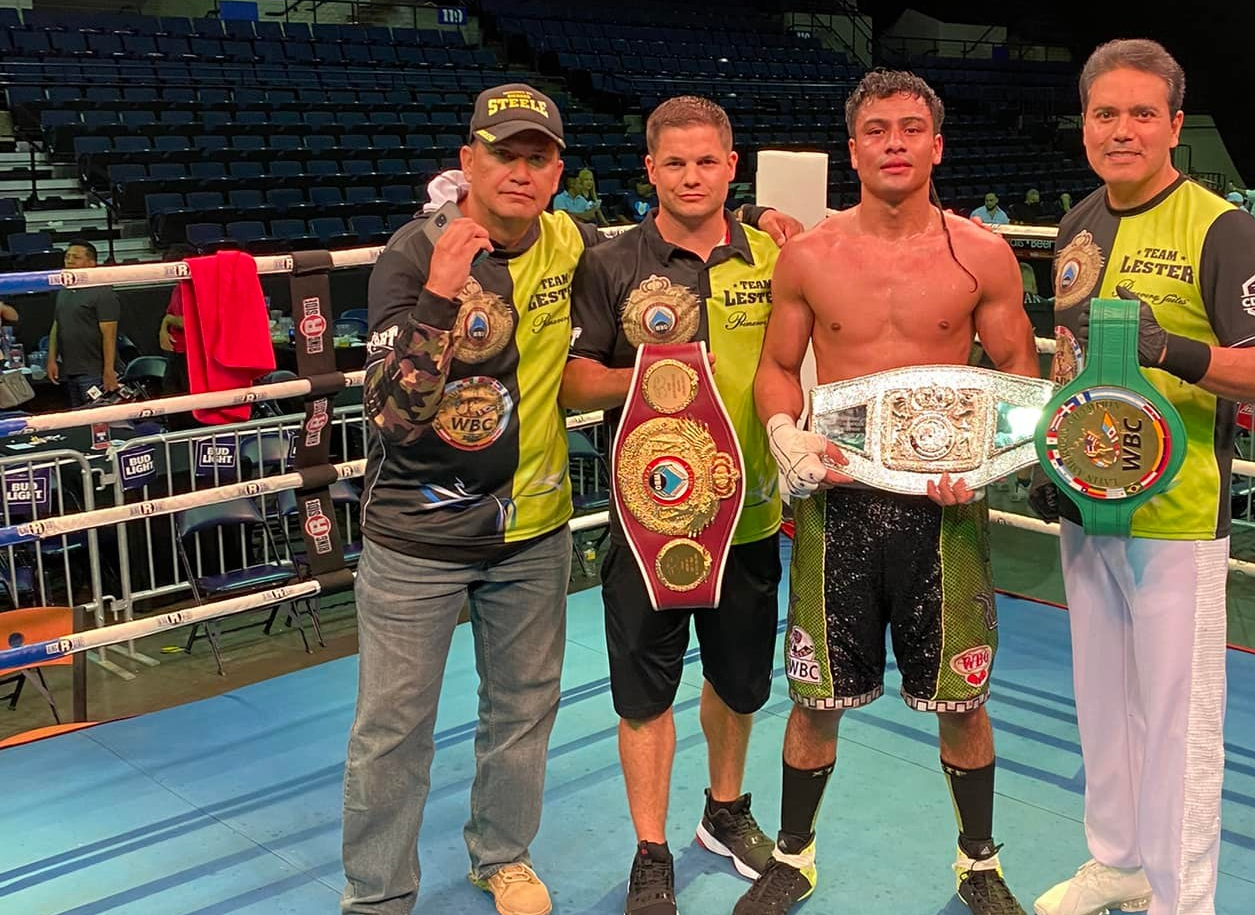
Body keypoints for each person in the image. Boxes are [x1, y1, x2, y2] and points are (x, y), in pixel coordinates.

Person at [343, 82, 799, 915]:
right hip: (419, 534)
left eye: (536, 157)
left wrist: (762, 213)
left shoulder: (573, 243)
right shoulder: (415, 252)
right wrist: (442, 294)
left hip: (534, 528)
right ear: (467, 160)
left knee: (522, 712)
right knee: (393, 729)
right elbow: (390, 417)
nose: (519, 172)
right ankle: (377, 896)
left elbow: (683, 213)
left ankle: (502, 854)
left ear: (558, 172)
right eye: (502, 155)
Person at [734, 69, 1041, 915]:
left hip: (948, 507)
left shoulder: (982, 252)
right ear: (854, 147)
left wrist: (985, 465)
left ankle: (979, 863)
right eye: (878, 129)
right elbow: (773, 368)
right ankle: (793, 856)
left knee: (960, 697)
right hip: (836, 501)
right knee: (816, 695)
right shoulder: (809, 254)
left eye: (912, 128)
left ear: (937, 146)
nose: (895, 143)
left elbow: (1018, 372)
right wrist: (785, 434)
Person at [1027, 39, 1255, 915]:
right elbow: (1067, 361)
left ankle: (1184, 902)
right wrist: (1052, 455)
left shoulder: (1220, 225)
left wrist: (1169, 349)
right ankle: (1117, 861)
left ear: (1175, 125)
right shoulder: (1077, 223)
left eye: (1144, 113)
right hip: (1088, 504)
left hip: (1177, 517)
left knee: (1179, 725)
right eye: (1106, 113)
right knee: (1102, 703)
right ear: (1085, 126)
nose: (1123, 129)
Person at [562, 95, 789, 915]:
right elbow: (572, 380)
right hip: (646, 520)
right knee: (643, 692)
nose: (692, 176)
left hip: (750, 514)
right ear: (650, 170)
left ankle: (723, 813)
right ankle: (650, 847)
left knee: (739, 683)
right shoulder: (613, 260)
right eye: (675, 162)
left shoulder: (774, 256)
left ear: (733, 168)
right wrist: (660, 383)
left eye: (707, 161)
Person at [46, 240, 120, 407]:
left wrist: (108, 371)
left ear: (91, 263)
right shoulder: (63, 290)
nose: (69, 261)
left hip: (94, 370)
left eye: (76, 257)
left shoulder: (103, 292)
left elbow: (110, 334)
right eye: (67, 257)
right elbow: (57, 324)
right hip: (71, 368)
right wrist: (51, 359)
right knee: (80, 421)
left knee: (101, 419)